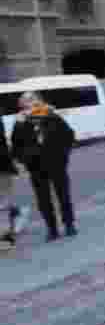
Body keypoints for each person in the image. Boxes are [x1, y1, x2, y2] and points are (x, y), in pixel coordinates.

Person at [10, 91, 77, 241]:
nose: (29, 103)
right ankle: (52, 229)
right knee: (43, 200)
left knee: (63, 195)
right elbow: (15, 147)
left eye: (32, 99)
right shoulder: (20, 122)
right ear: (21, 106)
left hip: (56, 164)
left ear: (39, 101)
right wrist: (25, 160)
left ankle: (69, 224)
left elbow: (69, 136)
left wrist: (63, 157)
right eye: (25, 101)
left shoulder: (52, 116)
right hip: (36, 167)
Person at [0, 127, 31, 251]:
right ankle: (17, 213)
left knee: (3, 205)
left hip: (2, 171)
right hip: (4, 168)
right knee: (3, 205)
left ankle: (5, 243)